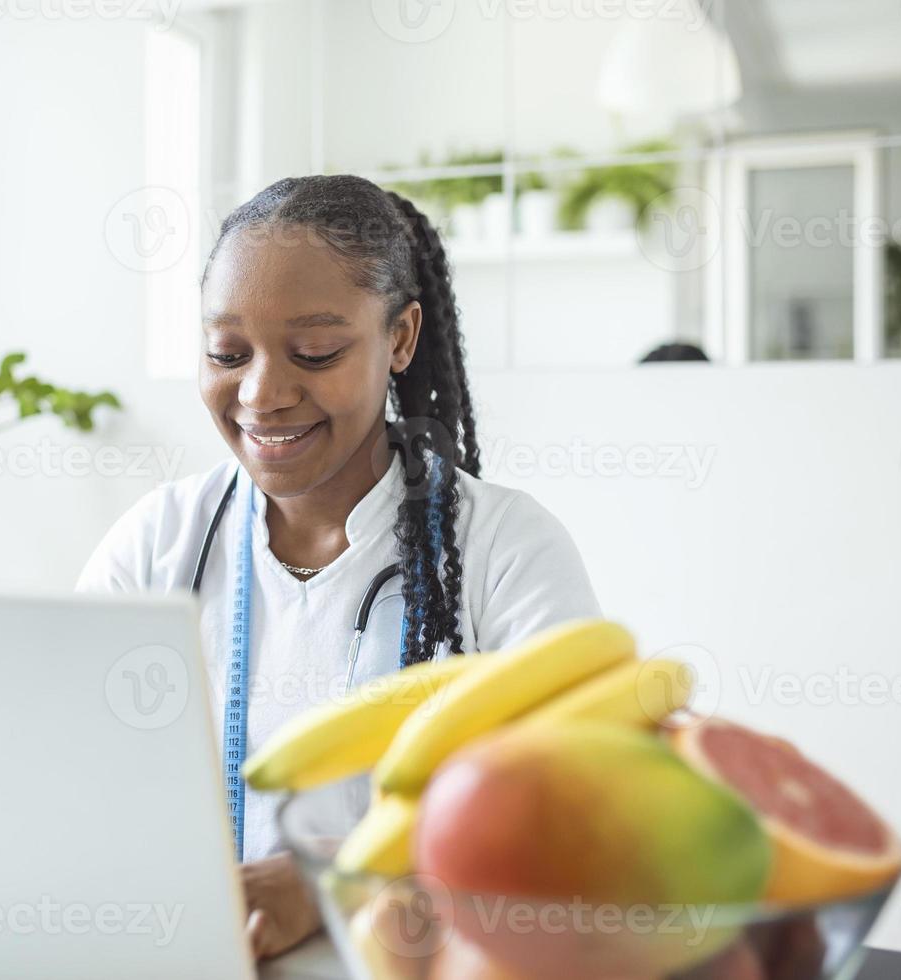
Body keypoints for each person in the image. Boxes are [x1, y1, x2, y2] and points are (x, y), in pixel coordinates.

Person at [75, 174, 600, 960]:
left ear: (400, 338)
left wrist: (338, 883)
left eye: (314, 352)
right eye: (227, 352)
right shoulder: (159, 543)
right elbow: (64, 769)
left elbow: (576, 825)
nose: (261, 393)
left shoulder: (506, 551)